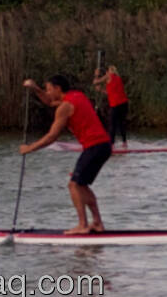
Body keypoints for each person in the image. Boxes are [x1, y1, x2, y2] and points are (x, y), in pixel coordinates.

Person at [21, 74, 111, 234]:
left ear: (58, 89)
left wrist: (30, 148)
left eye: (49, 89)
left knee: (74, 185)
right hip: (103, 146)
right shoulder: (77, 95)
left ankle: (82, 225)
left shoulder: (65, 107)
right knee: (81, 185)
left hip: (95, 147)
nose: (47, 93)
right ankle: (97, 223)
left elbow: (52, 136)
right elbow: (49, 101)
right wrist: (35, 88)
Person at [93, 65, 129, 148]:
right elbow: (111, 93)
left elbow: (95, 82)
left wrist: (96, 74)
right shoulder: (118, 78)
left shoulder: (109, 76)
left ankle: (111, 144)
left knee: (112, 124)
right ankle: (124, 142)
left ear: (108, 71)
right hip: (124, 104)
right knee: (121, 123)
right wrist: (101, 90)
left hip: (116, 105)